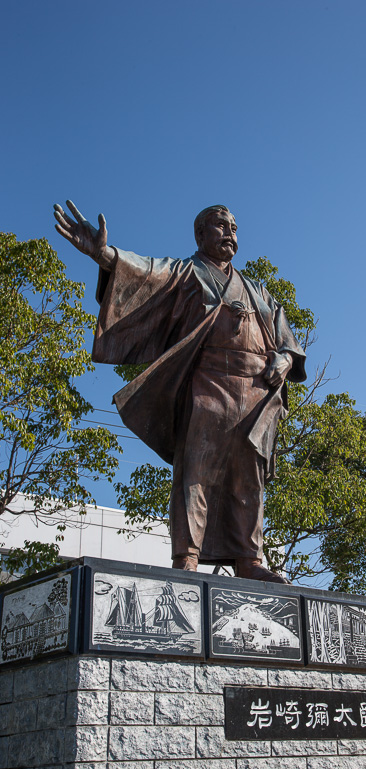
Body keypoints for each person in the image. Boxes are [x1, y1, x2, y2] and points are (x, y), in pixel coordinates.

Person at [54, 200, 306, 583]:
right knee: (195, 471)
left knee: (248, 479)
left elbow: (288, 342)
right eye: (221, 226)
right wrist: (105, 255)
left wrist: (284, 360)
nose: (230, 233)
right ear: (200, 234)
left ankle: (249, 560)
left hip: (257, 392)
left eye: (234, 228)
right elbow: (148, 273)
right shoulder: (187, 273)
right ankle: (186, 557)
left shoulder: (258, 291)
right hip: (208, 385)